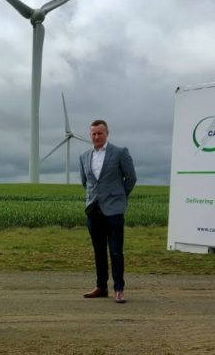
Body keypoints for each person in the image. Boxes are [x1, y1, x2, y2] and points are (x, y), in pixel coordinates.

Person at [78, 119, 136, 304]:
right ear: (90, 135)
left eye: (99, 133)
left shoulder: (120, 152)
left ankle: (119, 288)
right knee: (99, 251)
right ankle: (101, 287)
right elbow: (85, 182)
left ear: (107, 134)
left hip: (114, 210)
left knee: (116, 251)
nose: (96, 136)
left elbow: (131, 178)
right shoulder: (84, 156)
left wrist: (120, 197)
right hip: (94, 210)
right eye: (93, 134)